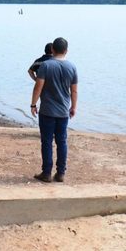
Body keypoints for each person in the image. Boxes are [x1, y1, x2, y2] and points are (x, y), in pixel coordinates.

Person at [30, 37, 78, 183]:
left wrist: (33, 104)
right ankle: (61, 173)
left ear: (52, 50)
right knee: (62, 141)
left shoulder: (46, 65)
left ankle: (46, 173)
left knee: (47, 142)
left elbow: (38, 86)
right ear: (66, 51)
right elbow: (74, 91)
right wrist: (73, 107)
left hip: (47, 111)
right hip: (63, 112)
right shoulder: (72, 67)